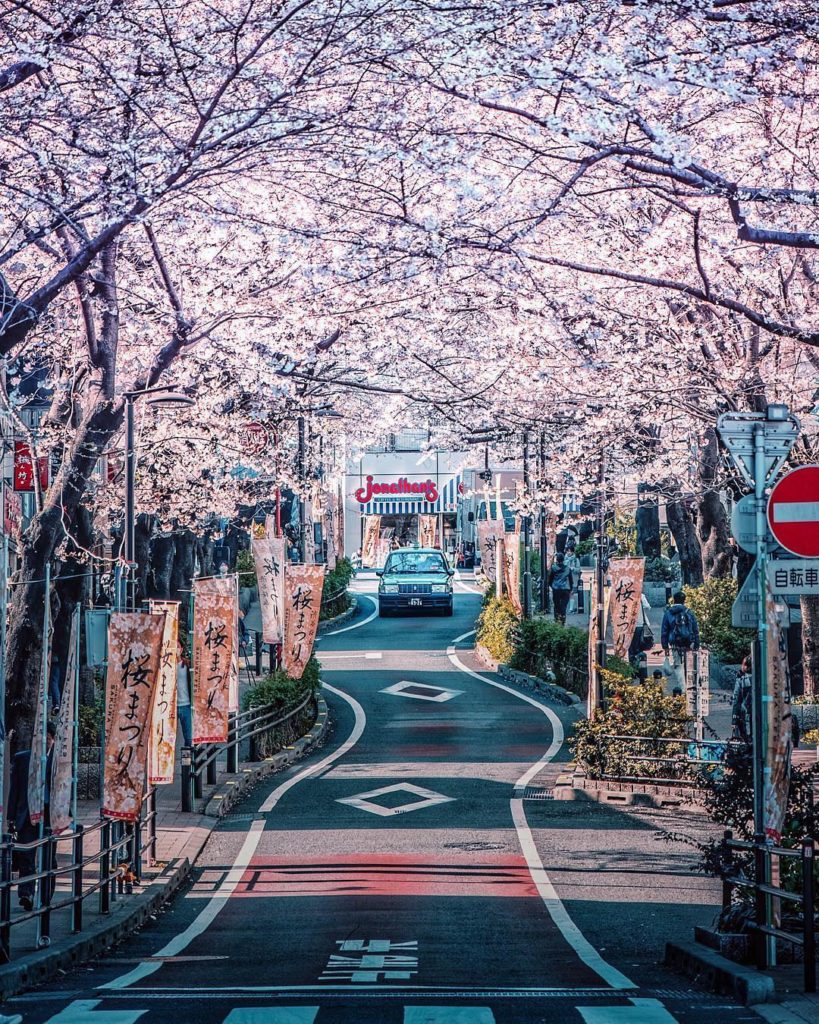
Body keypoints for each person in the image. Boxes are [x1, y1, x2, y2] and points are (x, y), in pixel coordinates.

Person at [7, 720, 57, 912]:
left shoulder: (57, 763)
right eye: (41, 737)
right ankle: (26, 894)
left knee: (48, 858)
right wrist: (11, 818)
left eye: (49, 738)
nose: (45, 741)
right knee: (27, 856)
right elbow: (15, 791)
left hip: (49, 816)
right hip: (27, 815)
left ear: (53, 740)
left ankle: (45, 896)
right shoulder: (23, 759)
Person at [661, 590, 700, 692]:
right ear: (684, 600)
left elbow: (664, 630)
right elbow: (695, 629)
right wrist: (696, 643)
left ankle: (682, 688)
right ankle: (691, 687)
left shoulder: (669, 613)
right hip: (689, 643)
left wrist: (665, 646)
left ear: (674, 600)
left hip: (675, 643)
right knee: (690, 664)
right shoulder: (689, 612)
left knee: (678, 665)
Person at [547, 551, 574, 625]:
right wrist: (571, 589)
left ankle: (557, 620)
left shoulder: (553, 568)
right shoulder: (568, 569)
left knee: (556, 605)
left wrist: (551, 586)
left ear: (557, 560)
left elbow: (550, 579)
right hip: (565, 589)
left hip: (556, 589)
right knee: (564, 606)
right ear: (563, 559)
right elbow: (571, 580)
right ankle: (563, 620)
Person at [732, 656, 752, 745]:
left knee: (745, 741)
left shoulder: (741, 679)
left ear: (747, 667)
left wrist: (734, 719)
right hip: (758, 715)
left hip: (744, 713)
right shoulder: (762, 677)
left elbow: (736, 699)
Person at [176, 639, 193, 747]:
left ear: (181, 649)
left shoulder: (187, 665)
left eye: (177, 646)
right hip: (170, 707)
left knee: (189, 738)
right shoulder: (164, 667)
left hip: (186, 705)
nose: (175, 649)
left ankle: (188, 762)